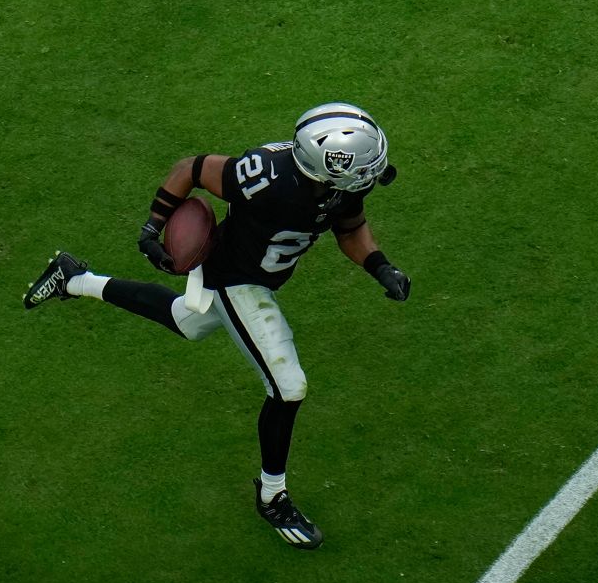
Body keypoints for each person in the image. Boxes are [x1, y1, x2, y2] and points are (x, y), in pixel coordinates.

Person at [23, 102, 410, 550]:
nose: (370, 174)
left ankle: (74, 280)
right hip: (236, 280)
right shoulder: (267, 177)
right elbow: (191, 168)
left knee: (185, 322)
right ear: (327, 165)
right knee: (288, 387)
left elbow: (349, 227)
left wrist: (381, 267)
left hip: (253, 274)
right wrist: (152, 228)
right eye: (363, 164)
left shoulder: (334, 183)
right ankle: (272, 497)